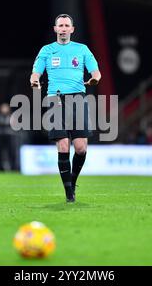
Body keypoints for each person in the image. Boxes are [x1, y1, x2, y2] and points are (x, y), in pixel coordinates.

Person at [29, 14, 101, 203]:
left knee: (81, 148)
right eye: (60, 25)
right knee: (63, 145)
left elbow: (96, 71)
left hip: (77, 98)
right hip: (55, 98)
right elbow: (36, 72)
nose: (62, 28)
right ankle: (69, 193)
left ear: (72, 29)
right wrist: (35, 81)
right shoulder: (47, 50)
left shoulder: (82, 49)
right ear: (55, 29)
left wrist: (95, 78)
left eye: (66, 25)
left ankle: (73, 181)